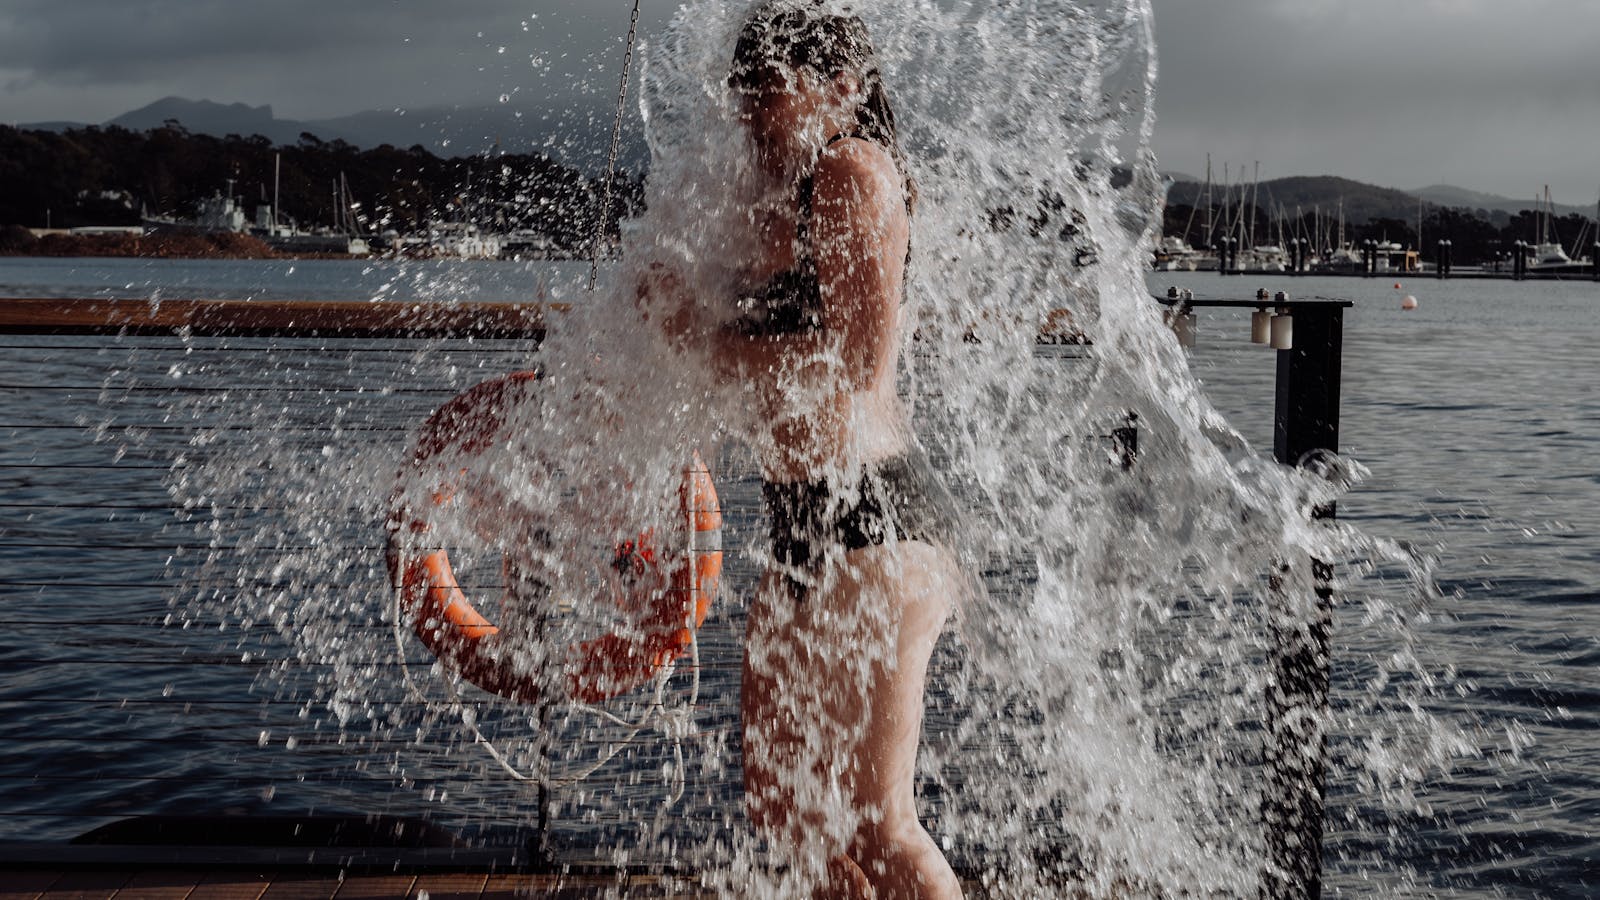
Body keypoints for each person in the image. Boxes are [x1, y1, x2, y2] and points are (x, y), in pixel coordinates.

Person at [640, 3, 964, 897]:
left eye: (769, 88)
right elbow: (732, 368)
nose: (750, 109)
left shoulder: (853, 172)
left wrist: (701, 339)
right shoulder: (769, 197)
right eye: (741, 88)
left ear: (840, 89)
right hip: (800, 527)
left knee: (879, 824)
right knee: (783, 807)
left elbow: (855, 361)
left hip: (876, 525)